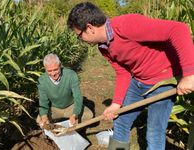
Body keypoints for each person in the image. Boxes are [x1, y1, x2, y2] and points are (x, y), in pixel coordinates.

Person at [67, 2, 194, 150]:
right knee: (121, 122)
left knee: (154, 132)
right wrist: (116, 103)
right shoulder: (104, 47)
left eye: (79, 36)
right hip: (138, 81)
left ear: (89, 28)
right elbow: (123, 72)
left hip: (162, 81)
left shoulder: (126, 25)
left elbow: (178, 29)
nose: (80, 40)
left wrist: (189, 75)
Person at [37, 53, 93, 128]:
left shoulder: (71, 75)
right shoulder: (42, 80)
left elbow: (78, 97)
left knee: (89, 115)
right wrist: (44, 117)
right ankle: (54, 128)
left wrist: (75, 114)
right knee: (39, 120)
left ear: (60, 65)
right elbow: (43, 102)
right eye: (49, 71)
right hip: (55, 108)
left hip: (70, 106)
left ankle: (75, 128)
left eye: (55, 69)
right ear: (45, 68)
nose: (53, 74)